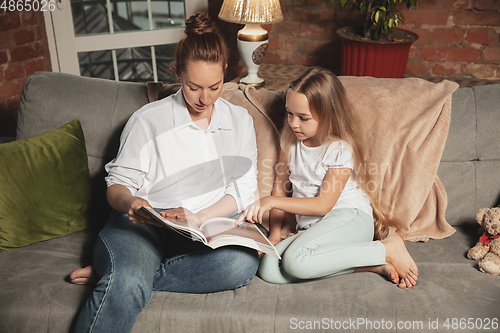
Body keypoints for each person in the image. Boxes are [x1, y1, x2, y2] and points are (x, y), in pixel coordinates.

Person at [69, 13, 260, 333]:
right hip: (144, 225)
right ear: (176, 73)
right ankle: (126, 275)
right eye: (193, 86)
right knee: (128, 280)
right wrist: (130, 202)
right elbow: (117, 185)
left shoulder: (240, 121)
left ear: (226, 71)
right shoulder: (147, 119)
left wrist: (200, 217)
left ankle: (119, 274)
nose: (204, 98)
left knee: (241, 264)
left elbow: (244, 186)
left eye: (214, 87)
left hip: (204, 226)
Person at [237, 67, 419, 289]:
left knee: (295, 261)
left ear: (327, 116)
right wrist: (274, 235)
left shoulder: (339, 149)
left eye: (303, 117)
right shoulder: (289, 139)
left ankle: (386, 248)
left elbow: (323, 205)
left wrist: (269, 202)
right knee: (268, 269)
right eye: (289, 113)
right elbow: (279, 189)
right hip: (313, 229)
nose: (293, 123)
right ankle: (372, 264)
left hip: (349, 219)